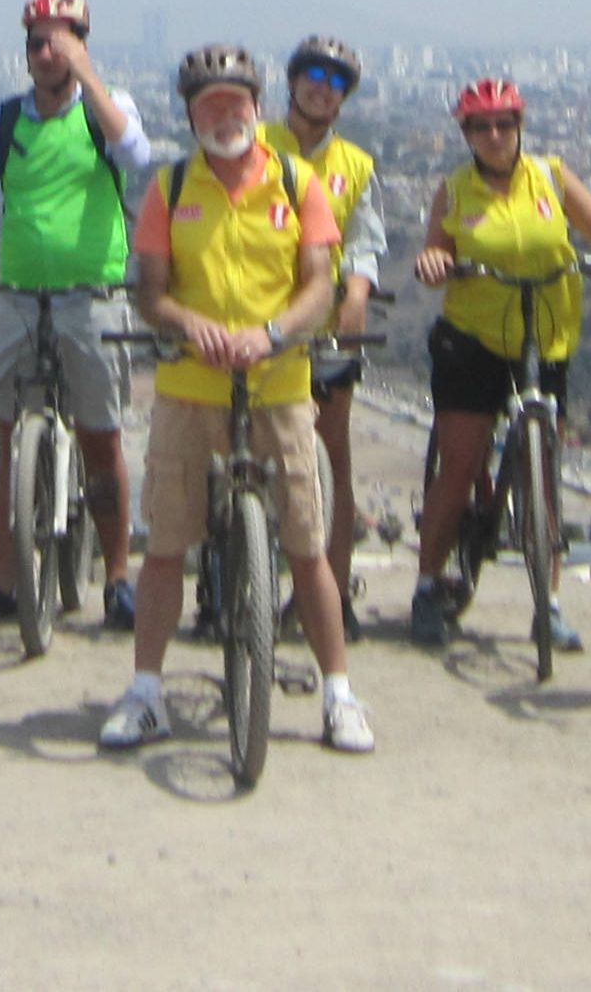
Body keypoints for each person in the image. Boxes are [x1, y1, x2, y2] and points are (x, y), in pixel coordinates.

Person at [94, 45, 373, 754]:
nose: (226, 115)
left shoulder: (297, 180)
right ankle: (148, 691)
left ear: (257, 106)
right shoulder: (172, 186)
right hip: (190, 384)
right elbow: (151, 293)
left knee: (308, 547)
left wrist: (273, 332)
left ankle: (339, 693)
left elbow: (318, 280)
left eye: (237, 102)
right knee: (166, 546)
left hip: (280, 384)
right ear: (191, 116)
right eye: (210, 104)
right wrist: (194, 325)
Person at [403, 77, 591, 650]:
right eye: (480, 127)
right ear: (466, 134)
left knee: (547, 477)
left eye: (504, 124)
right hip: (473, 338)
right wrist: (435, 260)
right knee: (458, 465)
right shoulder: (454, 190)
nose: (493, 136)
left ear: (519, 128)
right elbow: (437, 247)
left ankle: (549, 603)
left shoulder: (552, 177)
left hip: (546, 336)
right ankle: (428, 586)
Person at [0, 0, 150, 633]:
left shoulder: (107, 112)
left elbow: (138, 157)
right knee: (11, 436)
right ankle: (7, 584)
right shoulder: (3, 121)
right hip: (18, 296)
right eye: (36, 42)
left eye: (58, 42)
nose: (45, 53)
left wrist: (88, 76)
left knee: (101, 436)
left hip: (92, 296)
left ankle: (118, 579)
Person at [262, 36, 392, 634]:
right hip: (258, 320)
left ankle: (331, 598)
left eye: (336, 80)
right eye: (313, 73)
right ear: (291, 82)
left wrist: (359, 290)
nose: (322, 85)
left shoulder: (356, 165)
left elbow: (367, 239)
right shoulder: (255, 147)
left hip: (325, 330)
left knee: (329, 462)